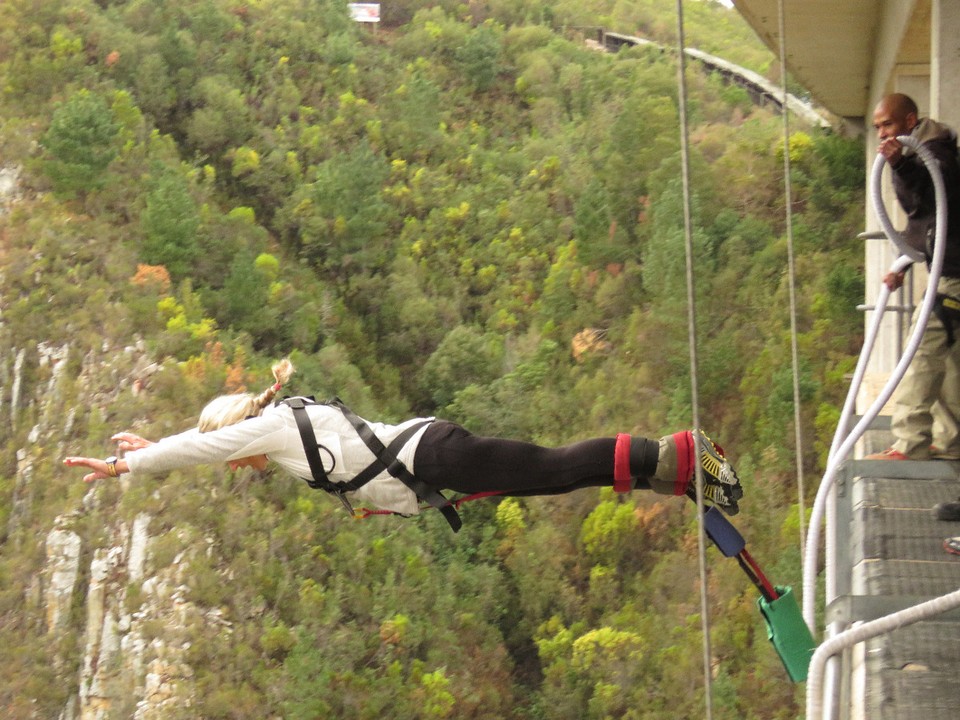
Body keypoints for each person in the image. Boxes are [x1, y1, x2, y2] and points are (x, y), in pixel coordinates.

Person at [64, 359, 743, 530]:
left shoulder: (270, 431)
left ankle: (679, 452)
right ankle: (675, 473)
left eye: (225, 448)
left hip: (434, 455)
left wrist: (129, 464)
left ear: (233, 431)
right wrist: (157, 447)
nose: (232, 463)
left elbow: (200, 452)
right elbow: (202, 450)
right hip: (434, 457)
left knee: (556, 468)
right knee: (554, 473)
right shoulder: (279, 435)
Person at [865, 93, 960, 462]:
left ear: (909, 122)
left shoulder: (935, 153)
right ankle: (950, 441)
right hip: (948, 270)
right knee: (950, 360)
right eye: (877, 128)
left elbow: (936, 198)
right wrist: (901, 265)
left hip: (952, 274)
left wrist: (901, 166)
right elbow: (924, 223)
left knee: (921, 350)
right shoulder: (922, 152)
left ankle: (910, 443)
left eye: (887, 124)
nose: (881, 133)